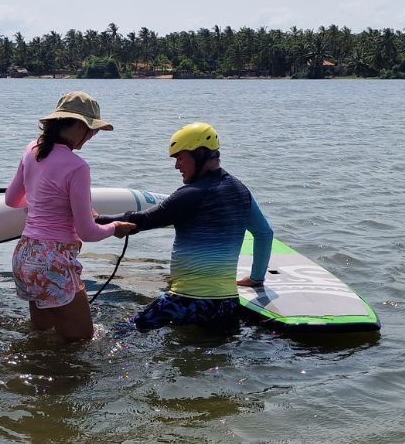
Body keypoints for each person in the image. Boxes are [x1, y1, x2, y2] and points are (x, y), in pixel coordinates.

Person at [95, 122, 273, 334]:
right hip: (227, 307)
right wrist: (256, 279)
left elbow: (142, 221)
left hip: (186, 302)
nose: (177, 166)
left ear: (199, 154)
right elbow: (264, 234)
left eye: (180, 157)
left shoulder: (193, 193)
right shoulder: (241, 191)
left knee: (119, 333)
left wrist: (97, 220)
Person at [4, 91, 135, 340]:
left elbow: (12, 199)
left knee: (43, 337)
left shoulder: (32, 149)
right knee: (82, 341)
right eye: (92, 129)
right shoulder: (77, 167)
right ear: (77, 125)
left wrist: (51, 205)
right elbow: (87, 232)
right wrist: (115, 228)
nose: (93, 136)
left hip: (25, 256)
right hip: (53, 260)